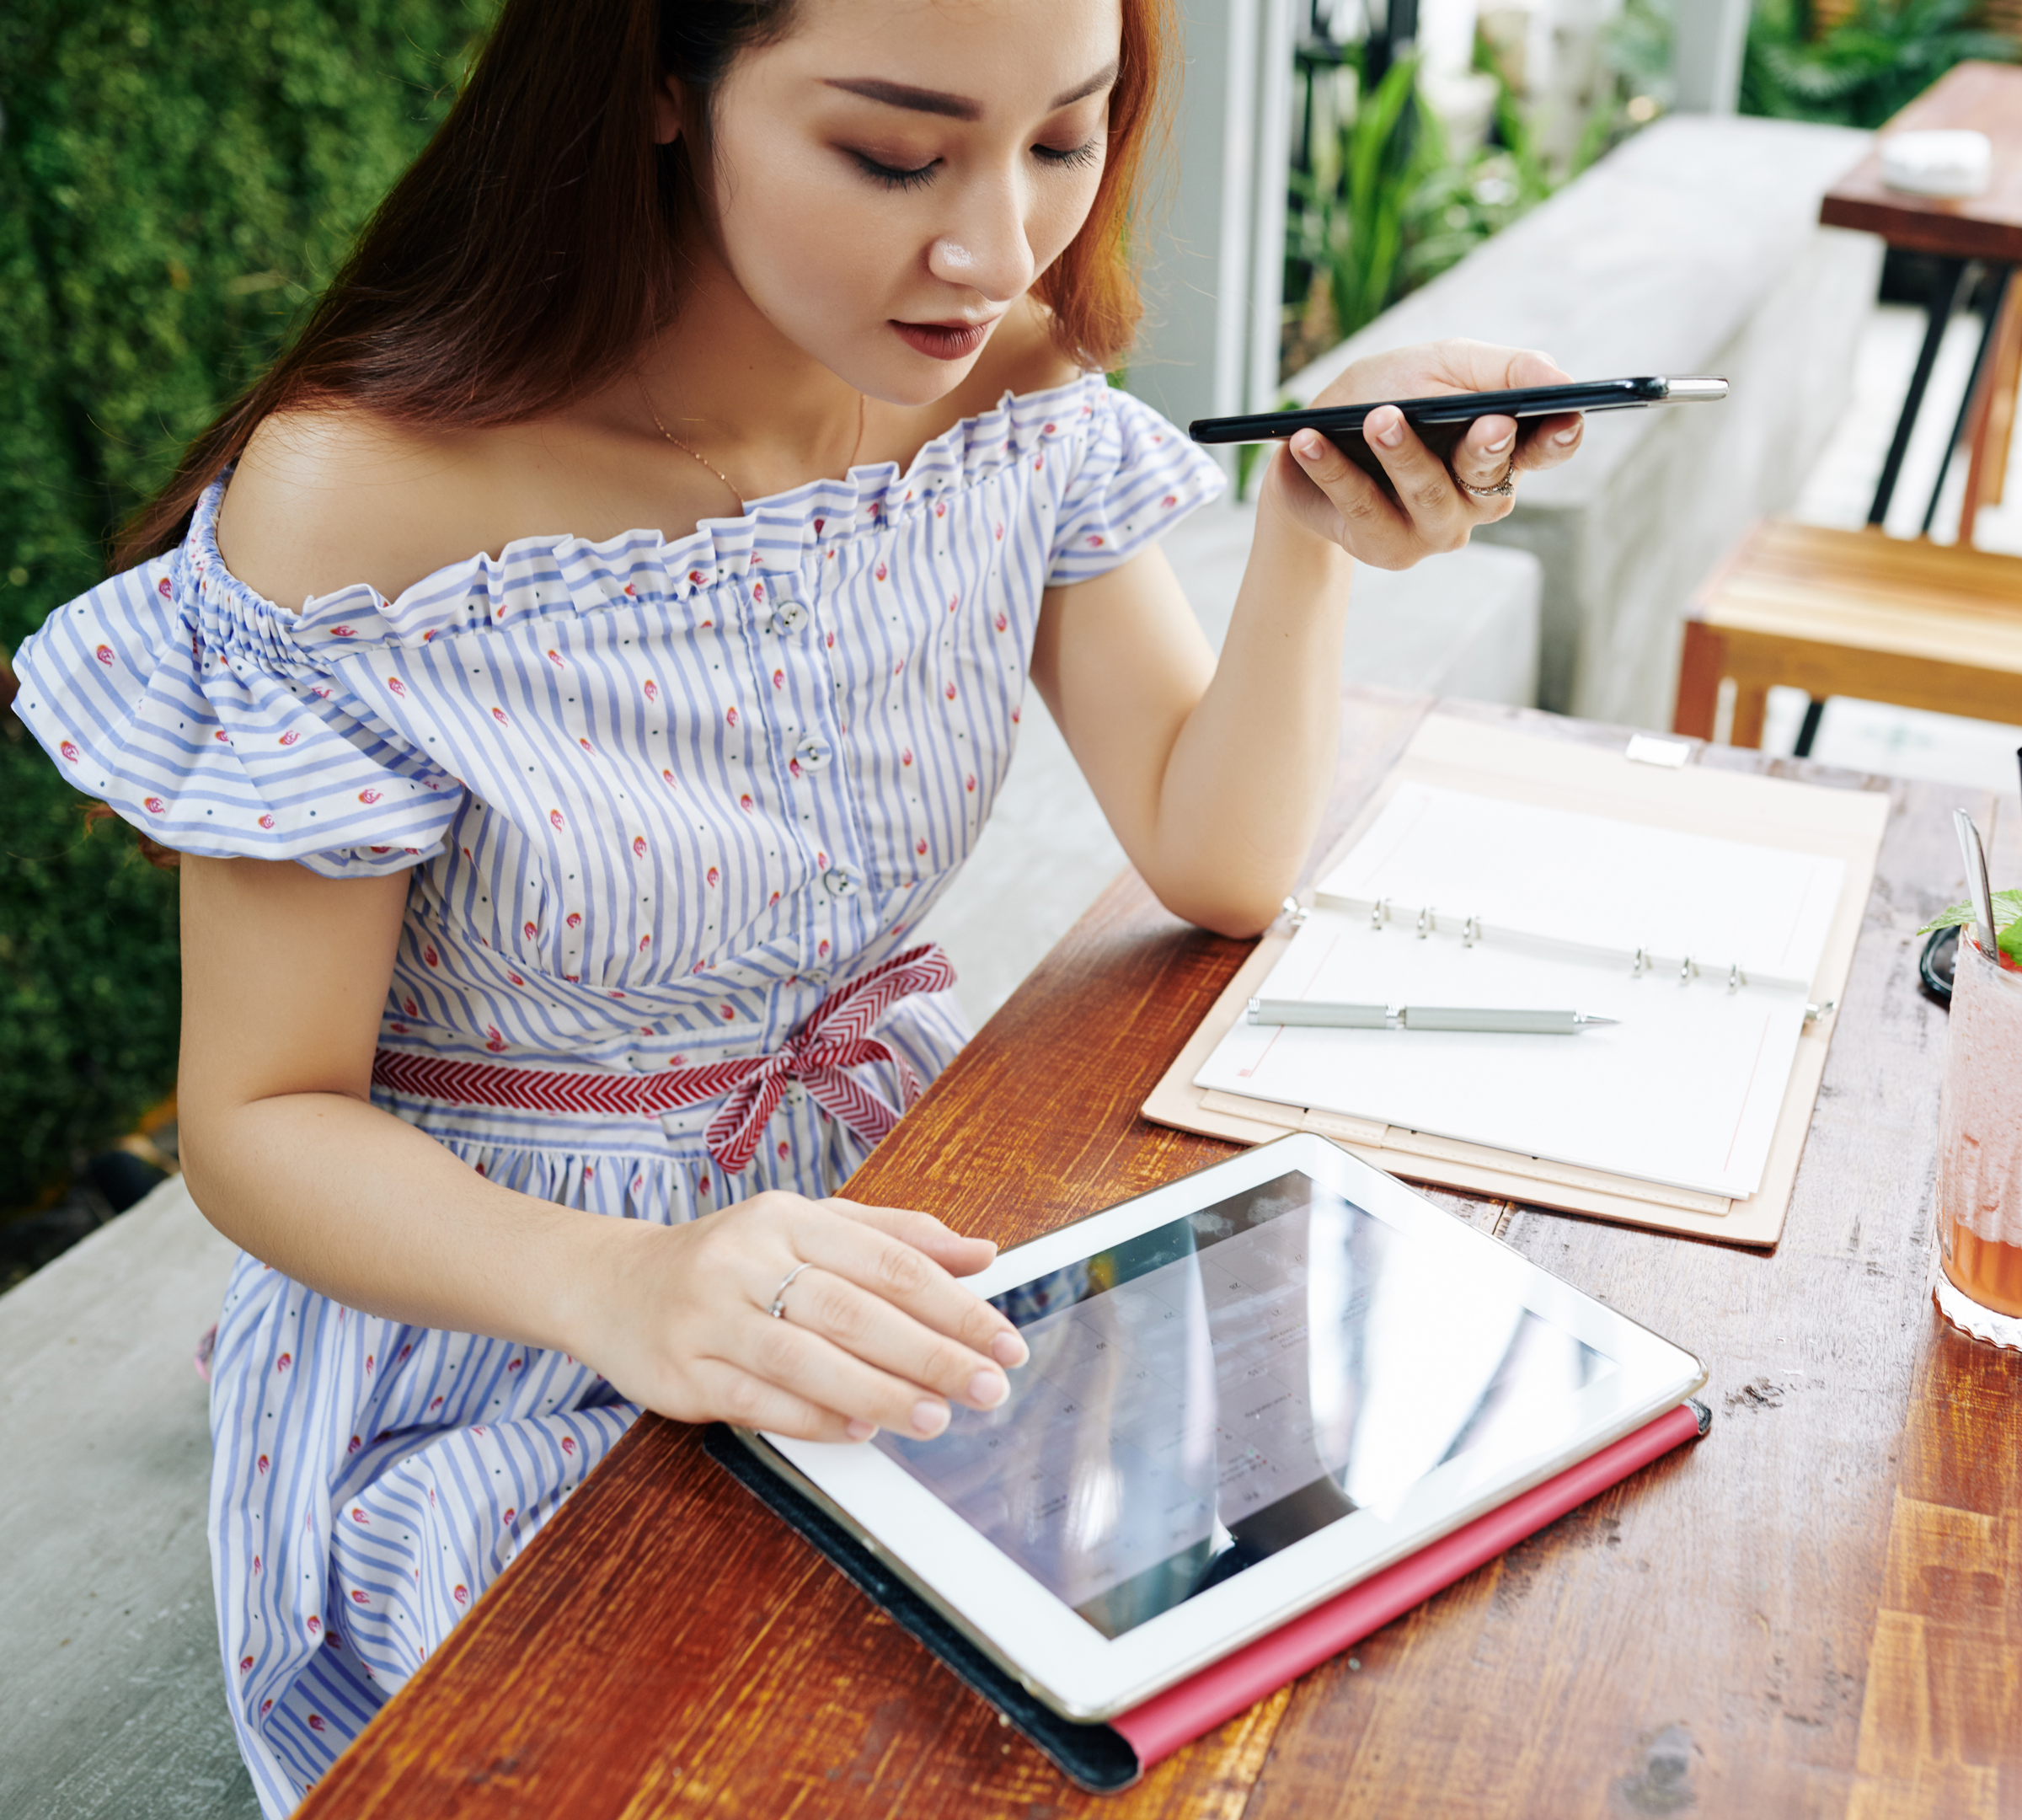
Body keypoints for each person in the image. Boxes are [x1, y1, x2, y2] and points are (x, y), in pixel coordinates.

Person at [7, 0, 1581, 1808]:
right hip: (507, 1327)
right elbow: (259, 1121)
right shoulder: (366, 501)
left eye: (1065, 140)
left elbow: (1211, 858)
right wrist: (626, 1284)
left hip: (907, 1231)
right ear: (662, 85)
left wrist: (1312, 528)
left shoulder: (1001, 378)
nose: (994, 247)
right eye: (894, 154)